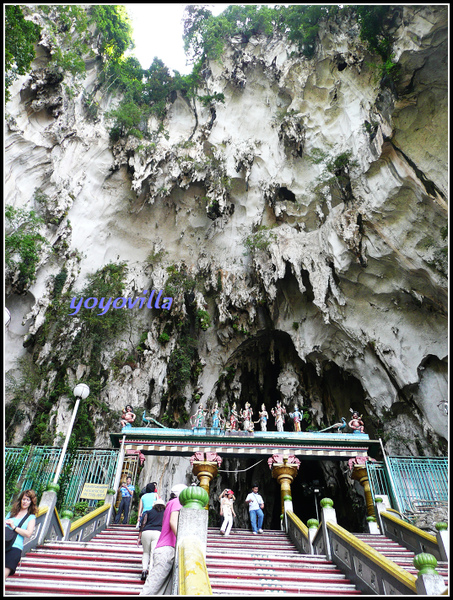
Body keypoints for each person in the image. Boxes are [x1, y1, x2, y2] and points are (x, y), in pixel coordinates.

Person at [140, 483, 187, 595]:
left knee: (162, 589)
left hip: (163, 548)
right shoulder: (177, 502)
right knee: (151, 587)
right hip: (167, 548)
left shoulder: (170, 503)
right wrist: (182, 539)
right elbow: (173, 521)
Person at [5, 489, 38, 578]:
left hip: (15, 548)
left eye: (28, 500)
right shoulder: (11, 513)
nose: (25, 502)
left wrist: (14, 527)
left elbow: (28, 533)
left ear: (31, 502)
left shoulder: (31, 517)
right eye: (24, 499)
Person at [137, 498, 166, 581]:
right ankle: (151, 571)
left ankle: (144, 570)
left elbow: (143, 523)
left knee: (146, 552)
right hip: (158, 533)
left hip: (146, 532)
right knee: (153, 552)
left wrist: (139, 536)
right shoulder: (165, 513)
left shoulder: (148, 512)